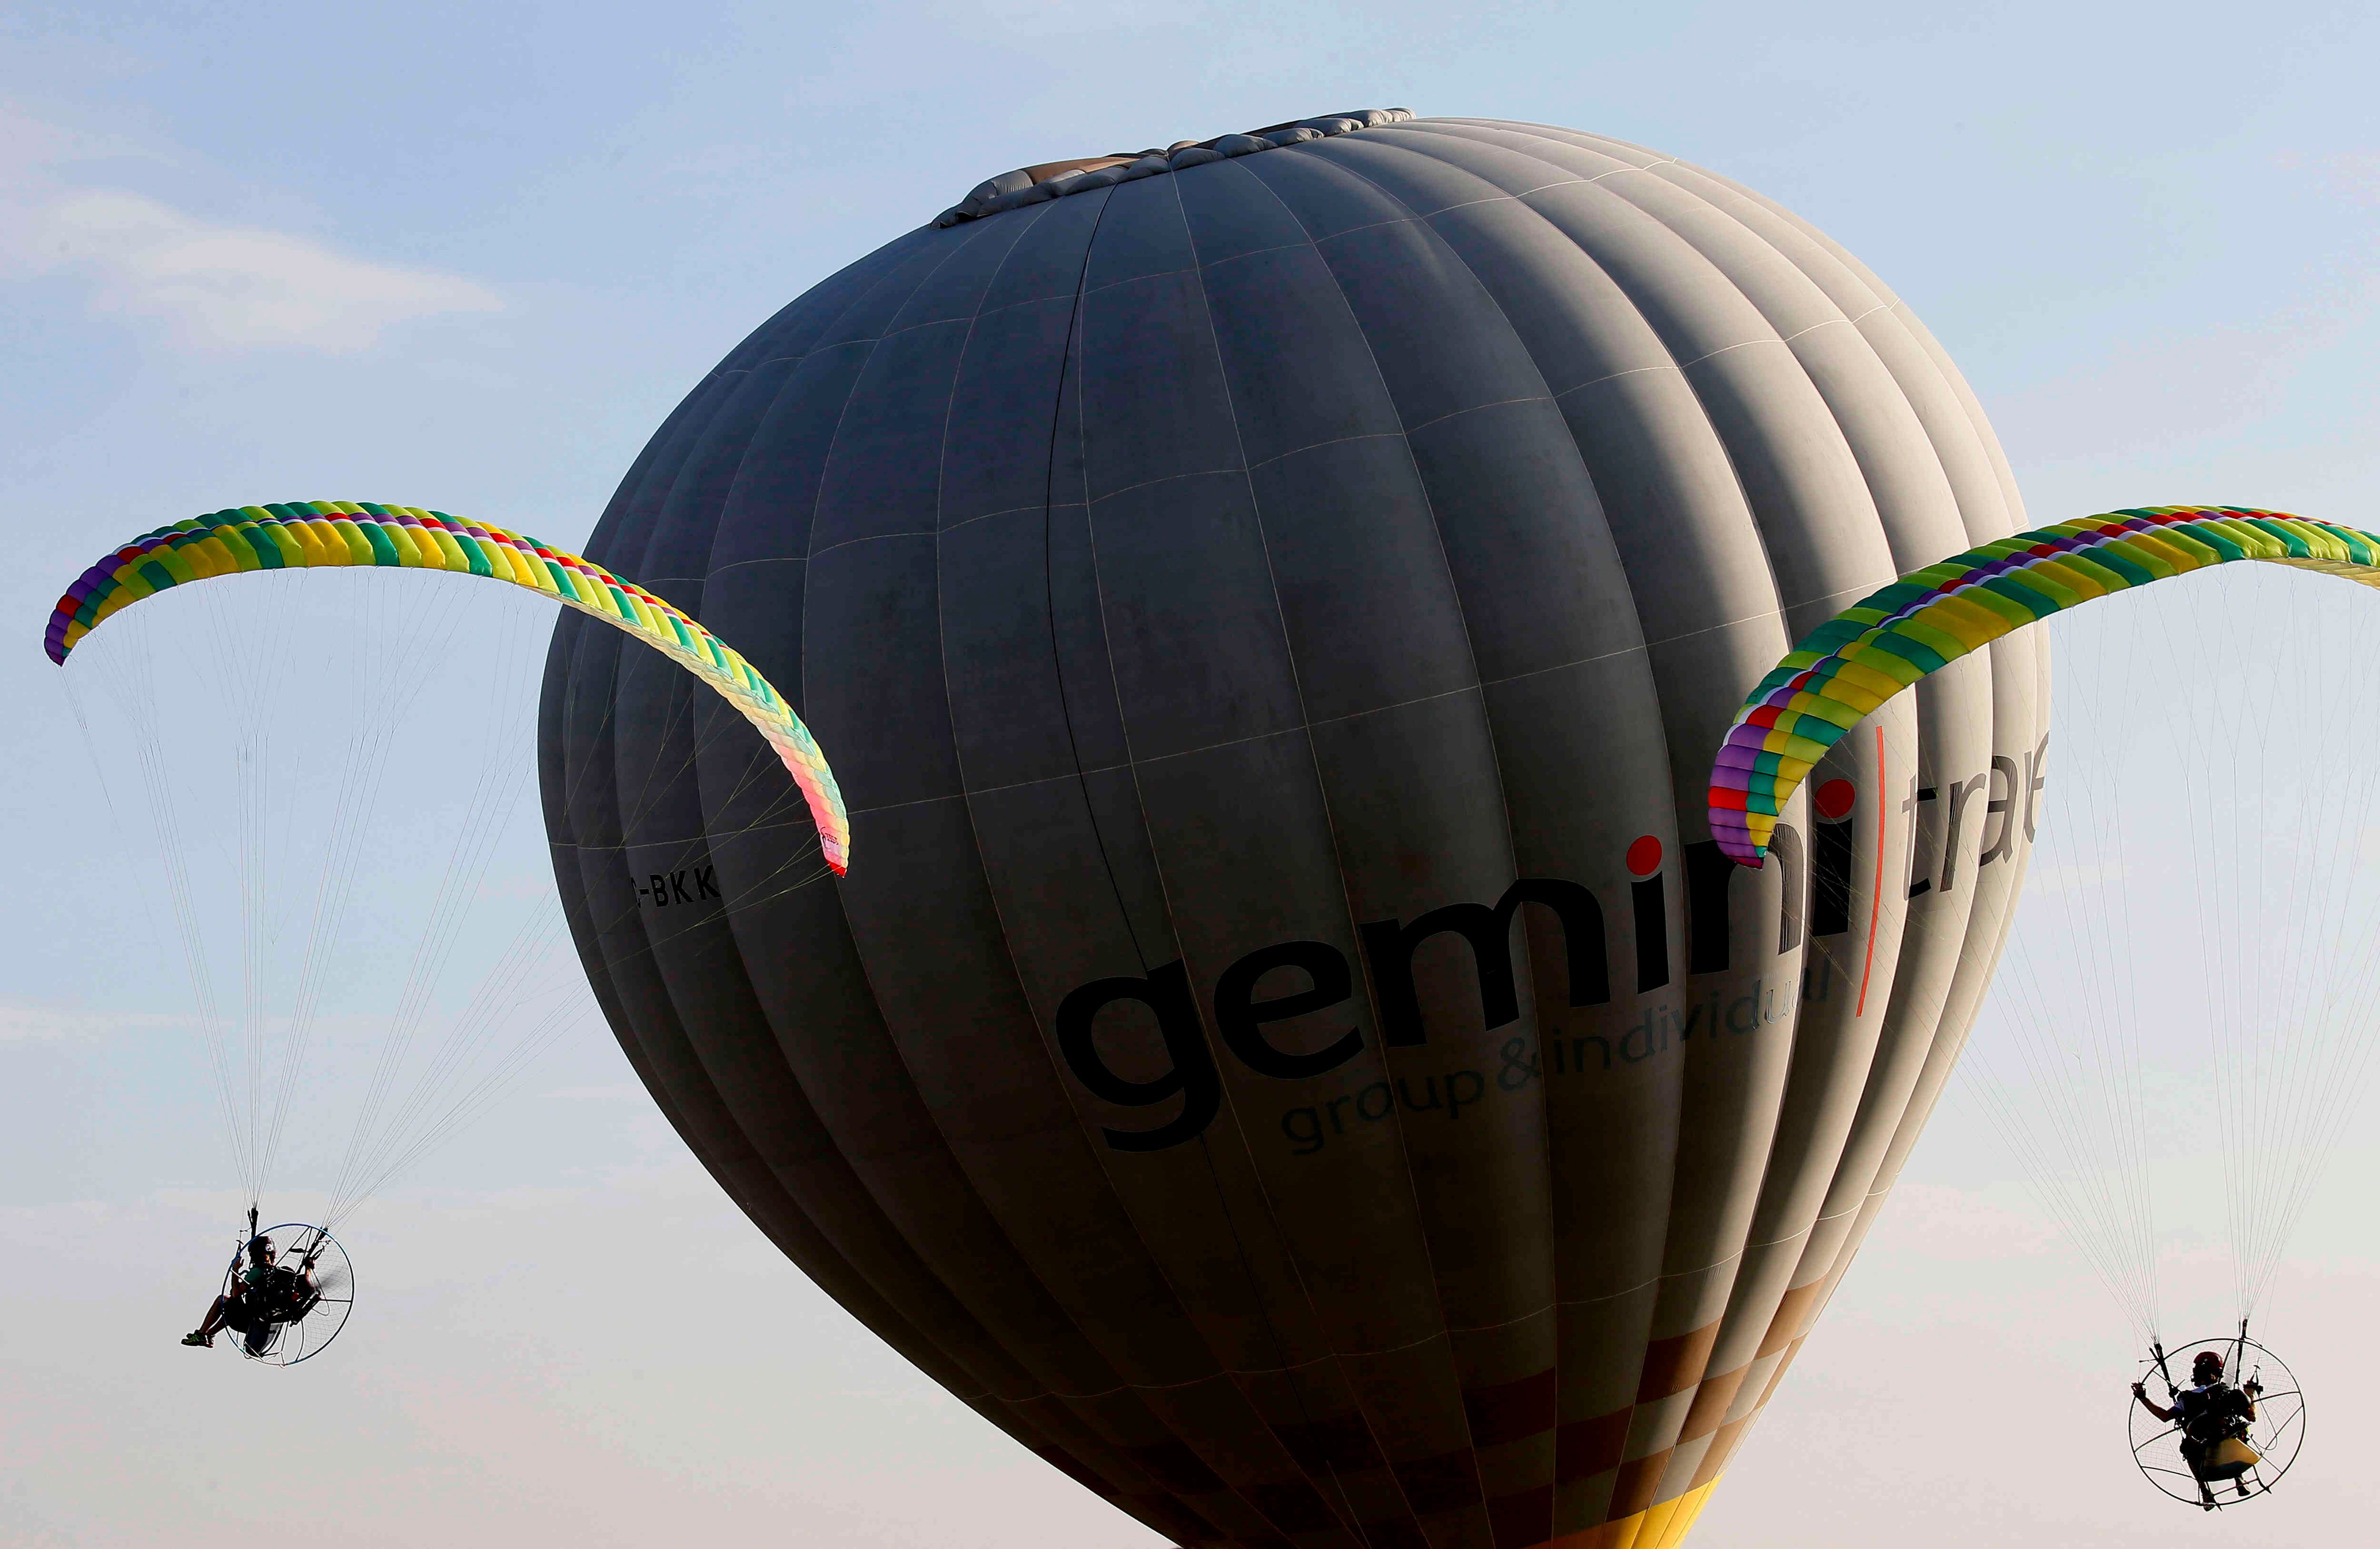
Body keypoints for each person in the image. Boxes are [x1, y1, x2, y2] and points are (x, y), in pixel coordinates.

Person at [2133, 1350, 2263, 1510]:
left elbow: (2164, 1416)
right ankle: (2238, 1478)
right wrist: (2251, 1394)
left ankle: (2205, 1490)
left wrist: (2143, 1398)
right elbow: (2252, 1417)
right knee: (2228, 1427)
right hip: (2223, 1439)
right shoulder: (2228, 1393)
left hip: (2202, 1447)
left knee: (2188, 1447)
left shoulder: (2187, 1399)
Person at [181, 1234, 281, 1351]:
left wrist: (235, 1270)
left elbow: (236, 1293)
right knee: (231, 1307)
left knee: (222, 1300)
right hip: (259, 1322)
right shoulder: (274, 1272)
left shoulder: (258, 1272)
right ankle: (209, 1334)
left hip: (246, 1321)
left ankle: (201, 1334)